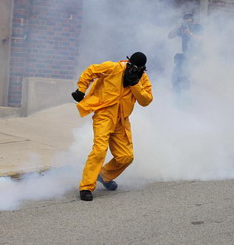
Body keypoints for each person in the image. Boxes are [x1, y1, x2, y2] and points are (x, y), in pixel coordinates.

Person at [71, 52, 153, 201]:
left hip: (121, 120)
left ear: (143, 69)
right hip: (104, 115)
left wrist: (135, 84)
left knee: (126, 157)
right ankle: (86, 187)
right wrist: (81, 89)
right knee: (100, 149)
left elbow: (146, 100)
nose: (135, 71)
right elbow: (91, 71)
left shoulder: (142, 79)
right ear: (128, 63)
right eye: (132, 67)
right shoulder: (113, 68)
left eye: (138, 69)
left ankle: (103, 175)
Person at [168, 14, 203, 90]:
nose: (187, 24)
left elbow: (202, 38)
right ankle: (177, 93)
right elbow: (170, 36)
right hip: (185, 56)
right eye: (185, 21)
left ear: (192, 21)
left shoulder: (197, 27)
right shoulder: (182, 29)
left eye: (189, 22)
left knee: (187, 78)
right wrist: (177, 27)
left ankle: (187, 95)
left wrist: (190, 33)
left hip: (195, 56)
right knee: (176, 76)